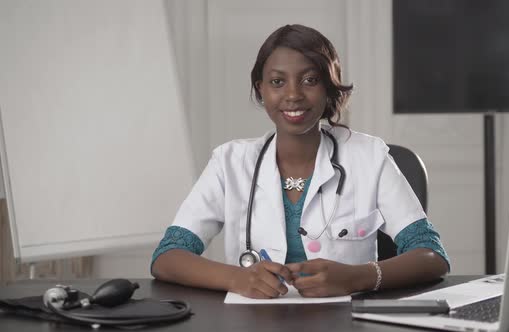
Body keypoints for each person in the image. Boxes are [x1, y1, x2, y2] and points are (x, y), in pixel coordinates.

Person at [151, 24, 449, 299]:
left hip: (346, 320)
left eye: (309, 80)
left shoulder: (369, 157)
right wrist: (236, 278)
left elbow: (431, 254)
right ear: (261, 89)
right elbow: (167, 257)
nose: (293, 95)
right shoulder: (229, 162)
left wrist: (357, 276)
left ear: (329, 87)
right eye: (277, 81)